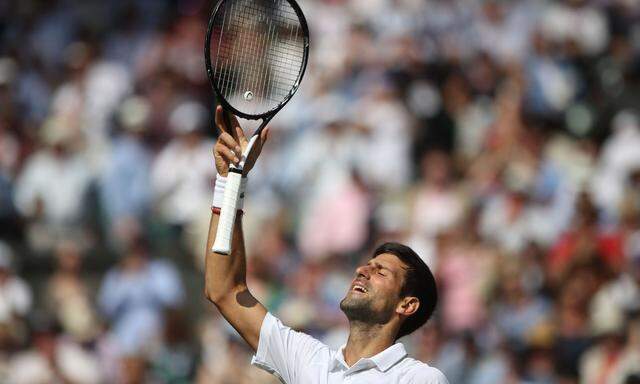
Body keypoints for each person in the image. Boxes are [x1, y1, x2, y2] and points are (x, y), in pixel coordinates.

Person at [204, 106, 449, 383]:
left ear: (407, 305)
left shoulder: (420, 378)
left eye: (381, 272)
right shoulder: (308, 359)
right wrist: (231, 180)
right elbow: (224, 290)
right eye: (368, 265)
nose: (362, 270)